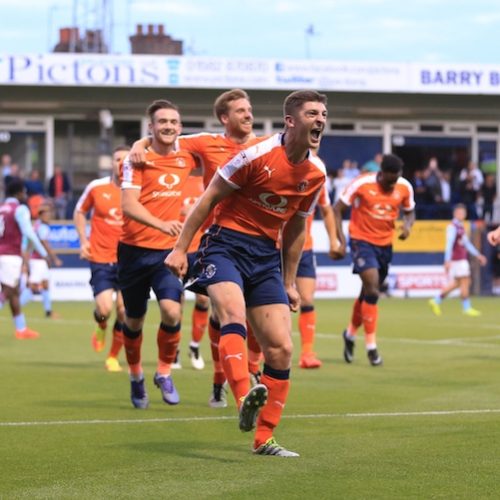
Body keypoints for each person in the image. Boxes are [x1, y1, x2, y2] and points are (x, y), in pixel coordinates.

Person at [166, 90, 328, 457]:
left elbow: (297, 228)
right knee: (232, 315)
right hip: (225, 245)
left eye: (323, 114)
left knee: (282, 348)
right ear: (291, 121)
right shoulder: (255, 156)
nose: (320, 119)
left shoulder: (316, 173)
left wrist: (288, 281)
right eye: (312, 113)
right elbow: (207, 199)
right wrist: (180, 249)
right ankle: (241, 397)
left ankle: (264, 438)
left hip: (265, 256)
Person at [129, 88, 265, 408]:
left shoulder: (264, 146)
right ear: (224, 118)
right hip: (217, 242)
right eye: (240, 110)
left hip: (260, 242)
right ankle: (224, 381)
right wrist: (138, 143)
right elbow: (165, 139)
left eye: (250, 109)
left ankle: (247, 373)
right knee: (223, 310)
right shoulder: (205, 142)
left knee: (259, 318)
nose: (248, 115)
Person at [119, 100, 197, 408]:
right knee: (133, 320)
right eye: (161, 121)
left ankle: (164, 372)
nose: (168, 126)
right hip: (134, 252)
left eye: (173, 122)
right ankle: (136, 377)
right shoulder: (136, 158)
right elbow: (128, 204)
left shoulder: (187, 154)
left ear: (180, 126)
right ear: (151, 126)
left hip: (168, 251)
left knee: (172, 311)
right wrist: (161, 223)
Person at [333, 154, 415, 366]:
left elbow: (410, 211)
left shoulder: (404, 186)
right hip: (361, 242)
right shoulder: (361, 183)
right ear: (381, 173)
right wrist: (341, 241)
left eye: (396, 179)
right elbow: (337, 209)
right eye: (389, 180)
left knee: (366, 294)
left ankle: (350, 334)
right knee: (372, 290)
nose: (392, 183)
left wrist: (408, 226)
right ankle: (371, 347)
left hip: (385, 245)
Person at [74, 145, 130, 372]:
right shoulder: (96, 188)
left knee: (125, 312)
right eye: (117, 160)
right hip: (100, 257)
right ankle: (101, 324)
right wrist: (83, 241)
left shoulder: (139, 189)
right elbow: (79, 212)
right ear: (112, 163)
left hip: (129, 259)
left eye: (126, 161)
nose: (121, 164)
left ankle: (113, 357)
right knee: (105, 309)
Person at [296, 182, 338, 369]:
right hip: (275, 247)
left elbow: (327, 210)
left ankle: (307, 353)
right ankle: (259, 352)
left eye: (315, 149)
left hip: (304, 249)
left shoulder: (318, 177)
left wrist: (333, 241)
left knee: (306, 299)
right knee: (269, 301)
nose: (313, 151)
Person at [0, 179, 50, 339]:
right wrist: (43, 252)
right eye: (24, 192)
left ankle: (21, 329)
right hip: (10, 256)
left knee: (13, 292)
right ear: (19, 192)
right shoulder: (19, 209)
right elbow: (29, 233)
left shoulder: (1, 208)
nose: (26, 195)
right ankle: (21, 329)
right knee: (7, 291)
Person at [175, 172, 209, 371]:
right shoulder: (176, 180)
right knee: (176, 304)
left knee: (204, 300)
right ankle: (174, 349)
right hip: (177, 249)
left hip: (200, 250)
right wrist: (184, 210)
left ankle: (194, 346)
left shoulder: (208, 181)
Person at [428, 204, 487, 317]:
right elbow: (449, 244)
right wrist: (447, 260)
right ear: (455, 213)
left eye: (463, 212)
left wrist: (478, 255)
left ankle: (436, 300)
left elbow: (467, 244)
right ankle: (466, 307)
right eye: (460, 212)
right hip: (458, 260)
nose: (462, 214)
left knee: (458, 283)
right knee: (465, 282)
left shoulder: (460, 226)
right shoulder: (452, 227)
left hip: (461, 259)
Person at [19, 202, 63, 318]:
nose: (49, 216)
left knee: (45, 284)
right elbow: (44, 244)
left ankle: (48, 311)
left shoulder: (37, 225)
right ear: (41, 215)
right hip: (38, 260)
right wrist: (54, 258)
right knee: (33, 286)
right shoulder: (42, 227)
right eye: (47, 214)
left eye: (49, 213)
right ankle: (17, 307)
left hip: (38, 260)